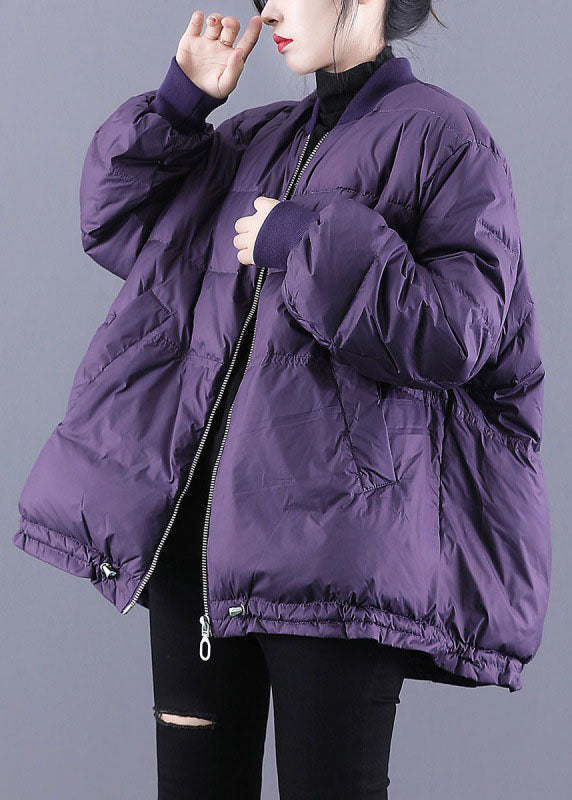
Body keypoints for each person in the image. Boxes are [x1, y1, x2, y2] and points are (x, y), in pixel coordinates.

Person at [13, 2, 552, 798]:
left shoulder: (446, 139)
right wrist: (178, 107)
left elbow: (456, 334)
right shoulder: (256, 137)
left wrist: (307, 243)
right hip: (198, 554)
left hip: (336, 553)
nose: (268, 6)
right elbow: (122, 229)